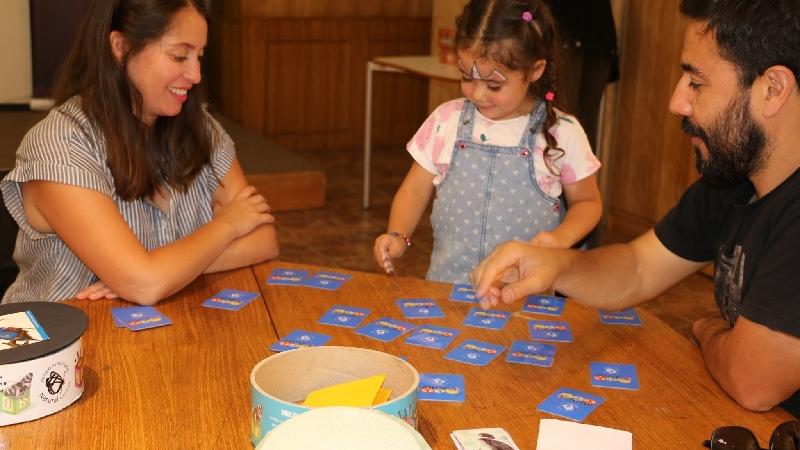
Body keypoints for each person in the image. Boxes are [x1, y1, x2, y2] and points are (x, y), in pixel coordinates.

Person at [471, 0, 800, 416]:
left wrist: (705, 327)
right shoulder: (732, 182)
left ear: (773, 89)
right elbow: (638, 268)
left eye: (696, 83)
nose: (676, 102)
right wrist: (558, 266)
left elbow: (754, 381)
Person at [0, 0, 278, 305]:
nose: (196, 74)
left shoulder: (202, 129)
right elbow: (144, 285)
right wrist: (229, 225)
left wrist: (160, 273)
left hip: (165, 330)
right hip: (56, 343)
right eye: (180, 55)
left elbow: (264, 240)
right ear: (121, 47)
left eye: (199, 56)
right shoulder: (61, 144)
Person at [373, 0, 602, 283]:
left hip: (526, 298)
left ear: (535, 70)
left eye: (494, 85)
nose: (478, 94)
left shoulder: (561, 133)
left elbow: (588, 202)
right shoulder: (446, 120)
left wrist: (560, 238)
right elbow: (415, 191)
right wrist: (398, 234)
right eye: (467, 77)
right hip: (447, 290)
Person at [544, 0, 619, 149]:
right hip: (561, 30)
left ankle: (584, 171)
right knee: (562, 117)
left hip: (599, 33)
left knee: (586, 126)